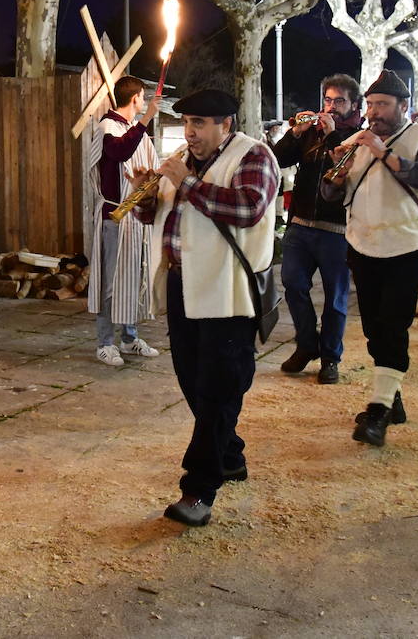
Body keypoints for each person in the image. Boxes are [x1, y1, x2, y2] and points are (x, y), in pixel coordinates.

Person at [131, 89, 277, 527]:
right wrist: (144, 196)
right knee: (194, 381)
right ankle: (229, 454)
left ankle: (199, 489)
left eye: (199, 123)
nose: (190, 132)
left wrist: (188, 182)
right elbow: (159, 218)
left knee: (217, 388)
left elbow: (249, 209)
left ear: (225, 124)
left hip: (227, 291)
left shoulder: (255, 156)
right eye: (187, 122)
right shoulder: (183, 159)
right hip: (182, 283)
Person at [321, 70, 418, 447]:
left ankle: (377, 410)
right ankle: (392, 395)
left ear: (403, 106)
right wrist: (337, 168)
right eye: (371, 104)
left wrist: (384, 153)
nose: (374, 112)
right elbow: (329, 194)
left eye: (383, 105)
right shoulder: (357, 141)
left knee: (393, 323)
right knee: (375, 327)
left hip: (406, 244)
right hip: (362, 243)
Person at [273, 73, 362, 384]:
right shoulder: (312, 132)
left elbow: (347, 165)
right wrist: (296, 134)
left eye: (339, 101)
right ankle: (307, 344)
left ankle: (330, 357)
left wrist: (334, 135)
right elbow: (278, 159)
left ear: (353, 104)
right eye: (328, 99)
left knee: (336, 298)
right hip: (300, 224)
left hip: (337, 229)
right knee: (293, 283)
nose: (332, 106)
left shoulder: (358, 137)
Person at [87, 75, 162, 366]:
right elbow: (119, 152)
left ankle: (130, 339)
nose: (144, 104)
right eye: (143, 99)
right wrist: (147, 120)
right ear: (136, 99)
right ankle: (105, 342)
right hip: (114, 216)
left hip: (136, 217)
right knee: (111, 281)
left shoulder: (133, 129)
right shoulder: (108, 126)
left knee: (134, 277)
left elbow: (151, 166)